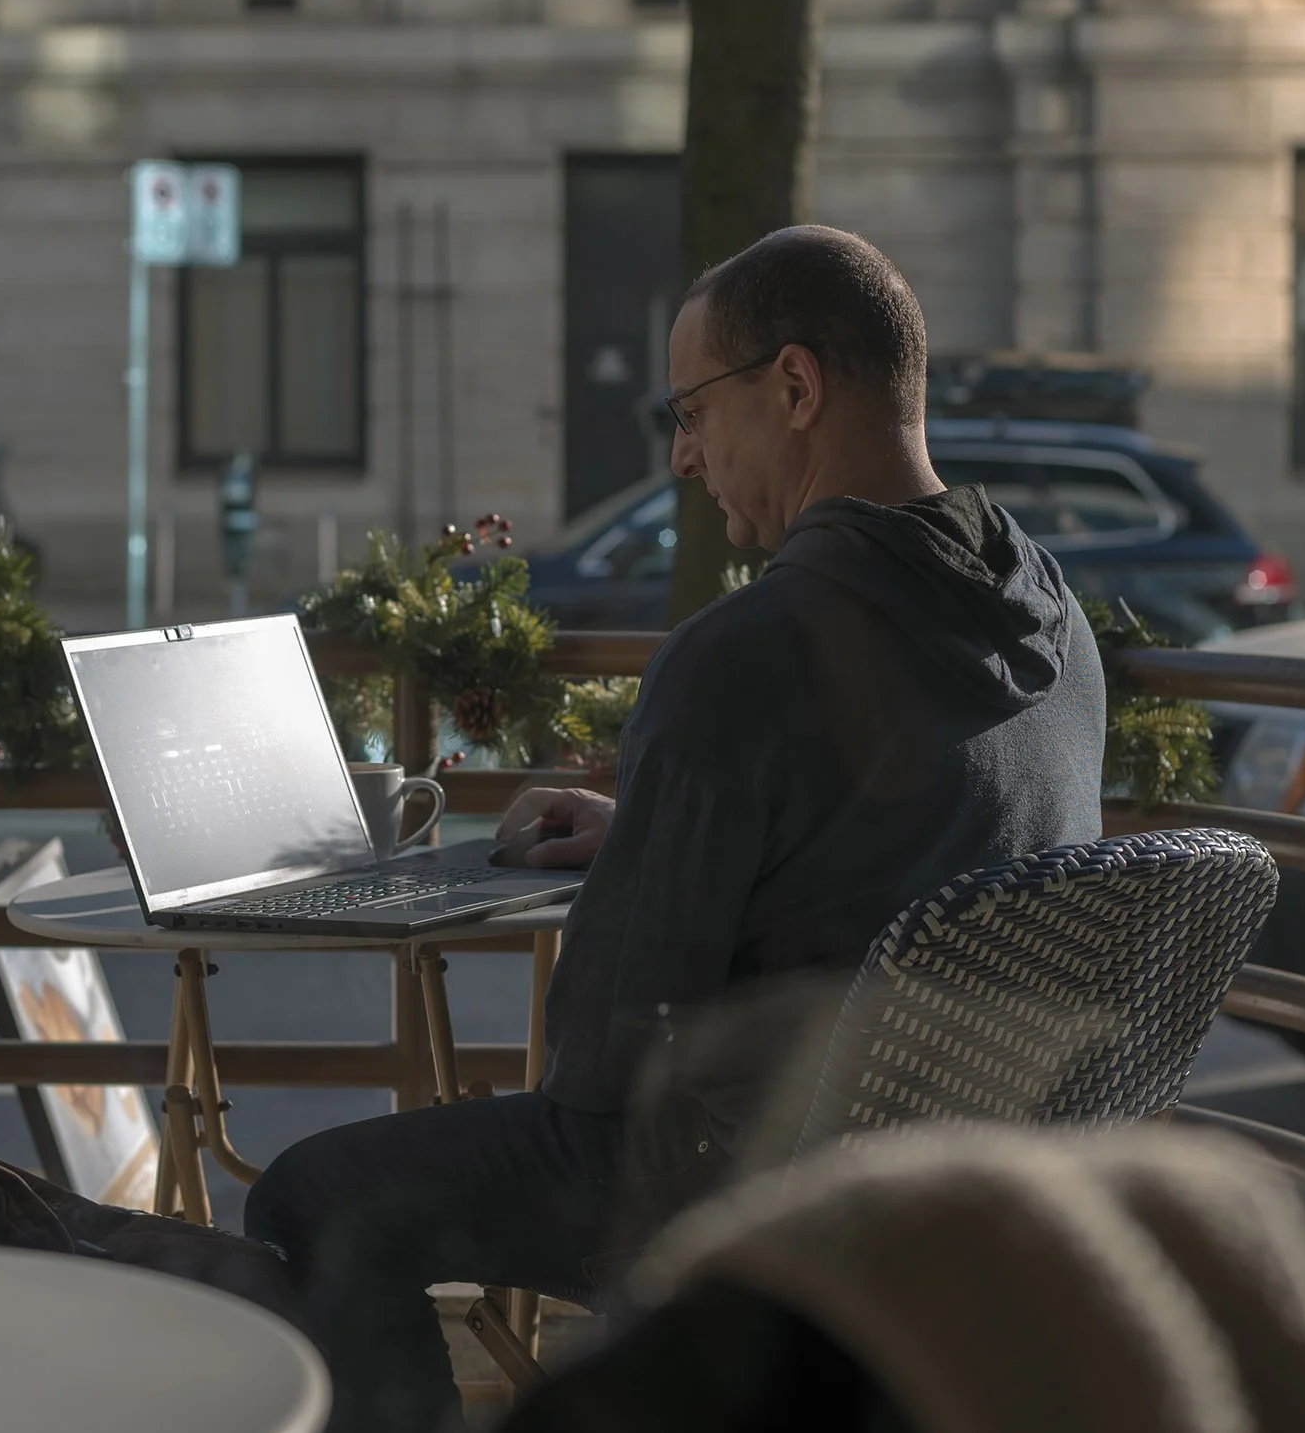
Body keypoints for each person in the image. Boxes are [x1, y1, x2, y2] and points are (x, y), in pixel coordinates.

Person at [243, 224, 1108, 1433]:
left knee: (311, 1197)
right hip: (985, 1182)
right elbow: (933, 820)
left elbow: (601, 1073)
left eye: (693, 410)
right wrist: (666, 826)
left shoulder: (747, 654)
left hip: (760, 1187)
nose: (686, 456)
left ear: (795, 387)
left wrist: (670, 851)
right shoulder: (1053, 612)